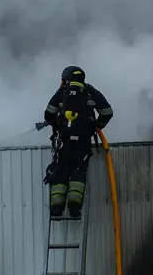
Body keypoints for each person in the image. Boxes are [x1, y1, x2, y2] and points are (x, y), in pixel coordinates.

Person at [41, 65, 113, 219]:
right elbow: (107, 112)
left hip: (63, 142)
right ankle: (74, 208)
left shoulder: (62, 93)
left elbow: (48, 114)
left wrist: (58, 127)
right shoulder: (90, 92)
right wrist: (95, 127)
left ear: (66, 79)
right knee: (78, 173)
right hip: (83, 142)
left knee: (60, 173)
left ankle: (56, 208)